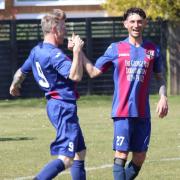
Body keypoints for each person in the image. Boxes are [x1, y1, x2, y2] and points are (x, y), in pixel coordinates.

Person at [80, 7, 168, 180]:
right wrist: (78, 52)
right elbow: (93, 72)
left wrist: (163, 96)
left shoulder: (153, 50)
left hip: (143, 113)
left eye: (140, 21)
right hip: (122, 111)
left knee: (140, 157)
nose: (136, 25)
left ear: (145, 23)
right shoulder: (115, 48)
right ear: (125, 24)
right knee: (121, 153)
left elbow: (160, 78)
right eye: (132, 22)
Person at [9, 9, 86, 180]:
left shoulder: (37, 50)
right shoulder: (55, 55)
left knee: (80, 152)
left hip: (55, 105)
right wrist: (77, 52)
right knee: (66, 159)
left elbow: (20, 73)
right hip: (63, 107)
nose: (65, 31)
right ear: (54, 30)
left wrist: (14, 85)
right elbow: (76, 76)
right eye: (63, 28)